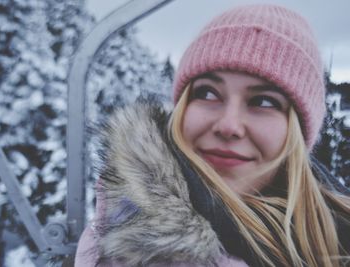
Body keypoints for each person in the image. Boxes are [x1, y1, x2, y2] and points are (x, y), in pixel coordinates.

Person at [74, 4, 350, 267]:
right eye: (207, 93)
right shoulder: (119, 251)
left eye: (264, 101)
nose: (229, 125)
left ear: (297, 133)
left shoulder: (339, 236)